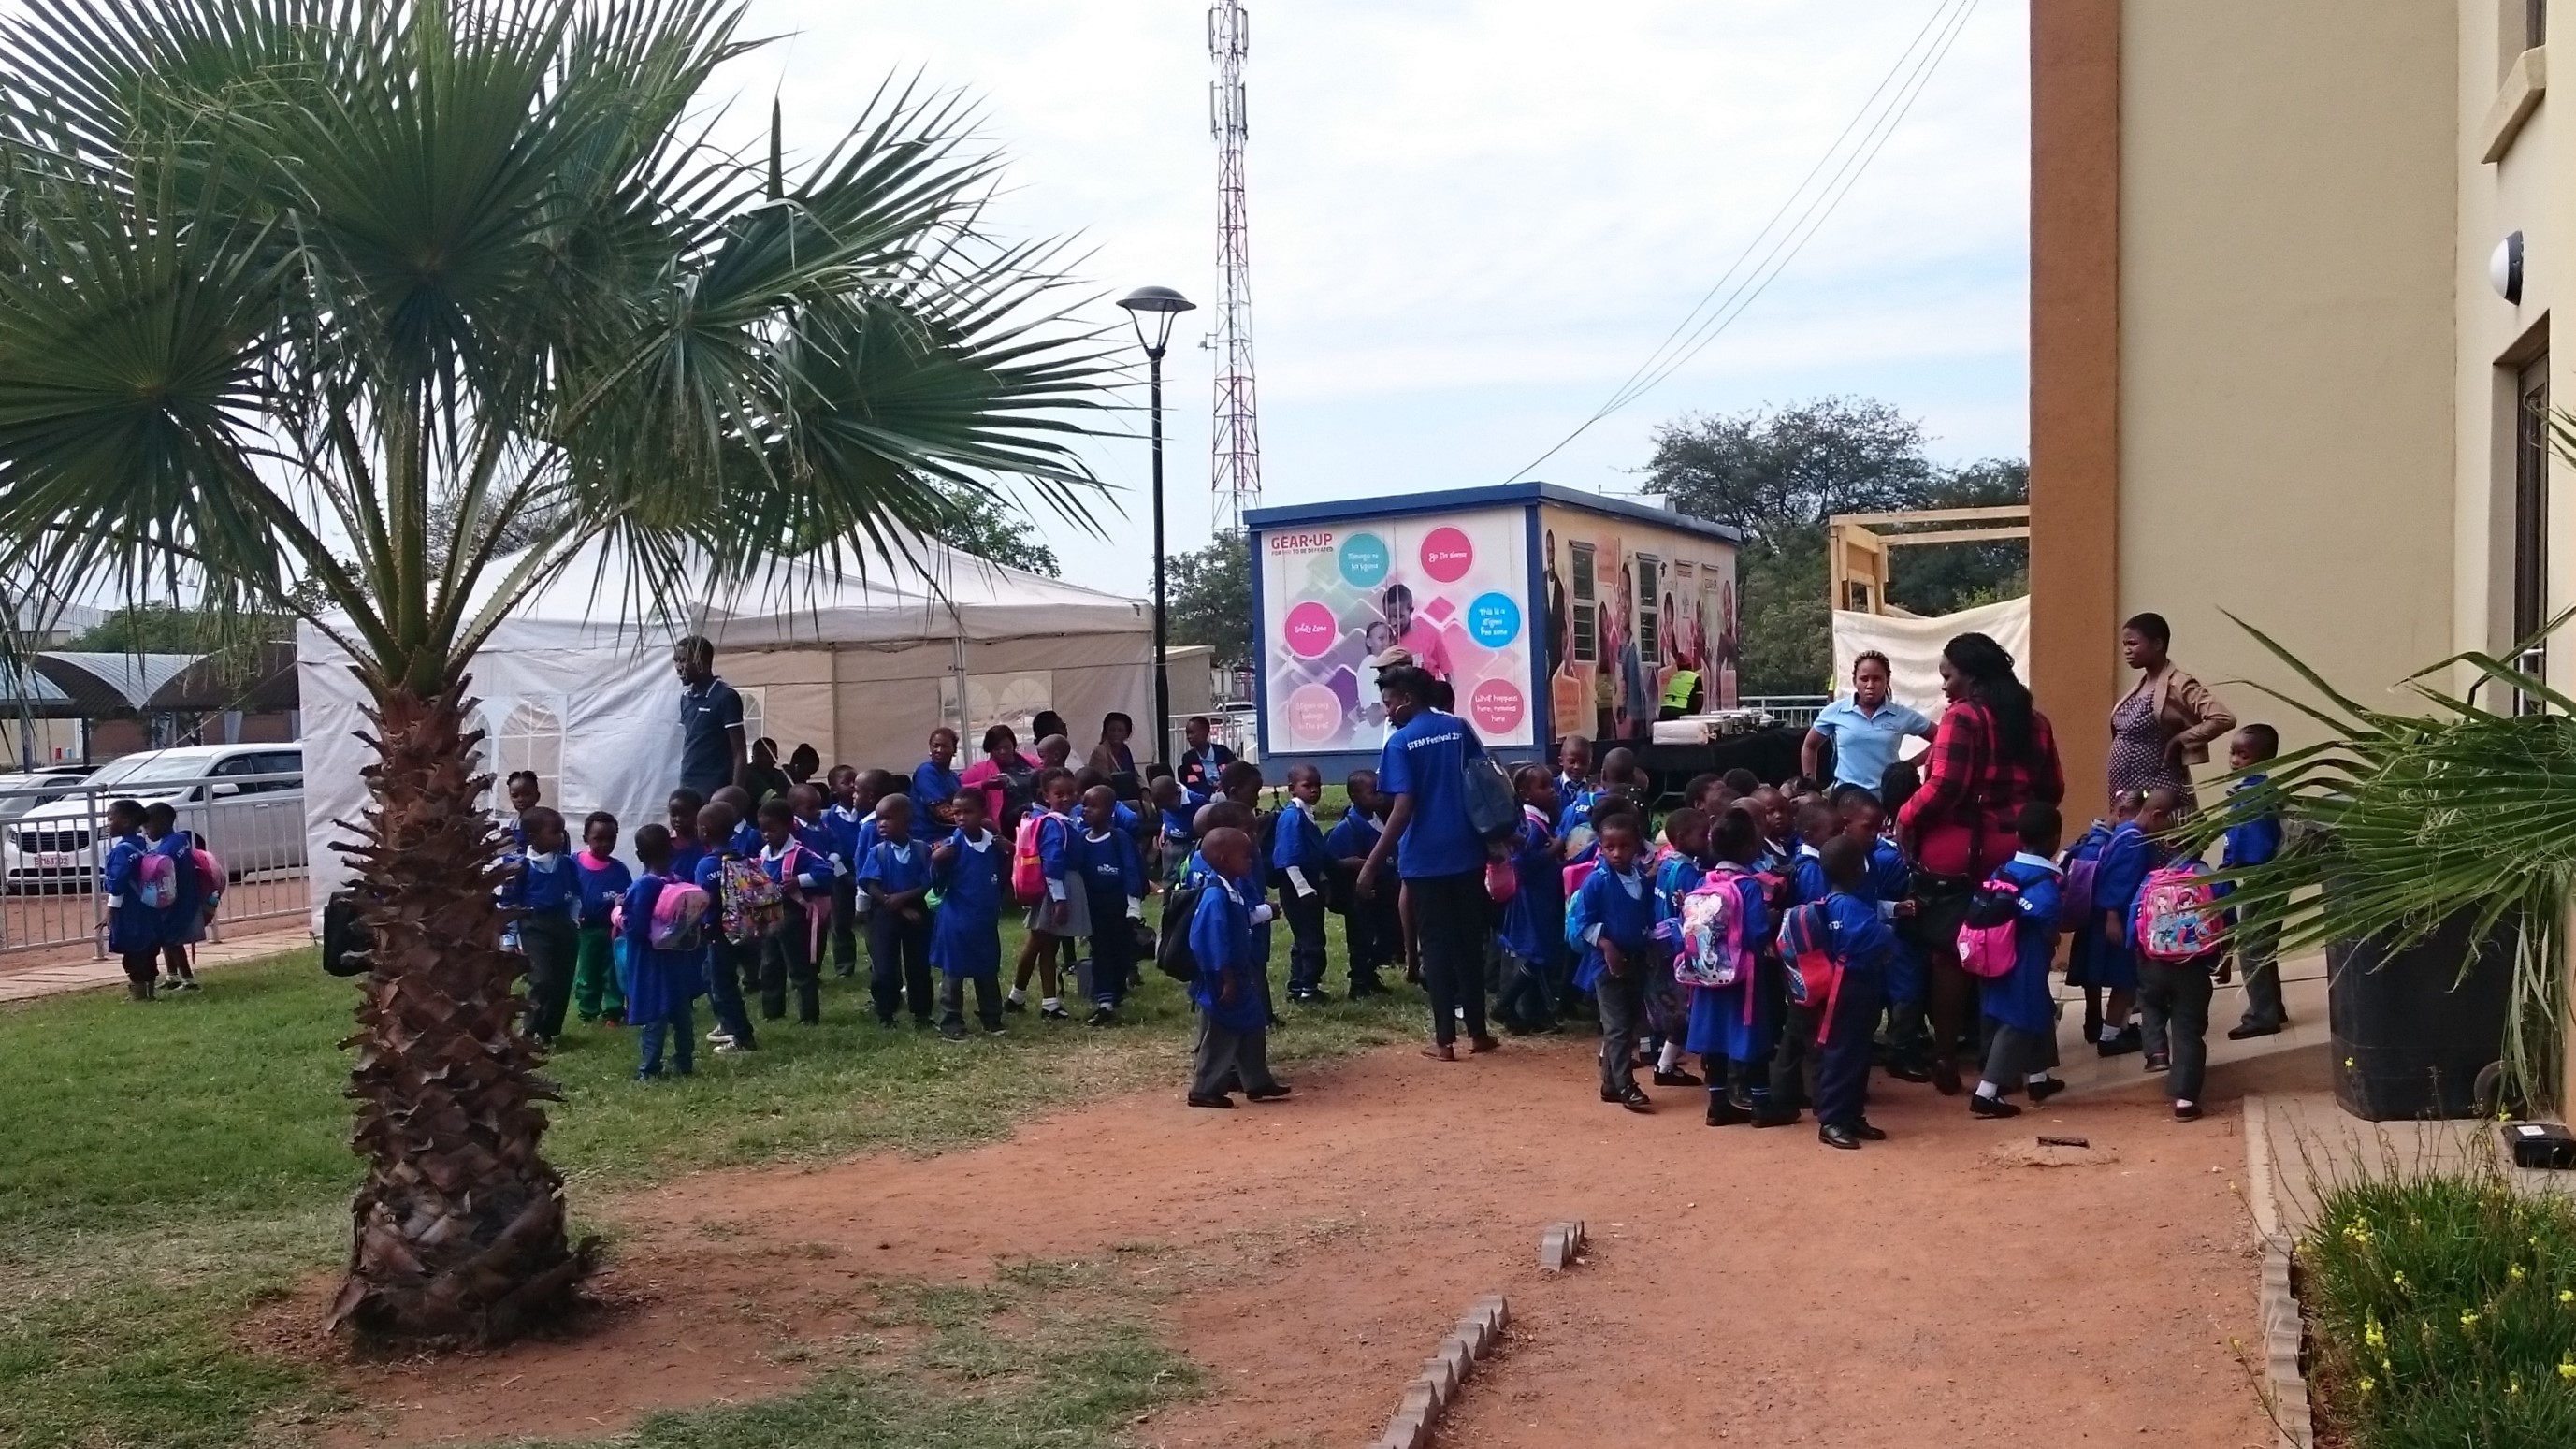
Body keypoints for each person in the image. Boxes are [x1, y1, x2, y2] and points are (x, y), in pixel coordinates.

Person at [1893, 632, 2064, 1095]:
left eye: (1948, 676)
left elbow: (1944, 787)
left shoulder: (1963, 717)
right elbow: (2052, 790)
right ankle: (2004, 1063)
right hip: (2018, 853)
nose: (1944, 686)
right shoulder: (2036, 722)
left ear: (1971, 676)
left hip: (1959, 852)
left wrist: (1905, 816)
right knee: (2012, 954)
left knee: (1952, 954)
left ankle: (1946, 1057)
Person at [1358, 663, 1498, 1061]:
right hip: (1468, 851)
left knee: (1435, 946)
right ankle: (1479, 1033)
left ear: (1407, 699)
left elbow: (1402, 807)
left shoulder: (1400, 743)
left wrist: (1371, 865)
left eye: (1389, 703)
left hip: (1424, 859)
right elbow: (1483, 778)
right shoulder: (1458, 728)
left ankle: (1444, 1042)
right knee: (1469, 941)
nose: (1388, 712)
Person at [1793, 836, 1898, 1150]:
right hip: (1850, 987)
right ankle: (1833, 1121)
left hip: (1847, 987)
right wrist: (1889, 933)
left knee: (1857, 1052)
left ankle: (1852, 1116)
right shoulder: (1851, 908)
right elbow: (1879, 938)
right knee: (1843, 1055)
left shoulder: (1827, 903)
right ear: (1858, 870)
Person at [1968, 804, 2070, 1118]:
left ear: (2019, 836)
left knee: (2039, 1010)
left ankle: (2038, 1078)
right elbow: (2049, 924)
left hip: (1995, 957)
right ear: (2055, 839)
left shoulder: (2003, 871)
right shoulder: (2045, 885)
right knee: (2018, 1021)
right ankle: (1986, 1093)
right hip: (2025, 962)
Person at [1185, 826, 1288, 1108]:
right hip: (1222, 975)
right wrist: (1226, 978)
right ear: (1224, 859)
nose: (1251, 860)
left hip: (1238, 972)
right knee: (1222, 1031)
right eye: (1245, 856)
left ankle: (1257, 1081)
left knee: (1253, 1022)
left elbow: (1242, 919)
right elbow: (1212, 940)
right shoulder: (1215, 896)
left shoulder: (1233, 890)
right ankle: (1204, 1088)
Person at [1686, 806, 1772, 1125]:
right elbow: (1755, 933)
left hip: (1707, 974)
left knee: (1715, 1039)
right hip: (1743, 976)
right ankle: (1762, 1104)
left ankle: (1718, 1103)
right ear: (1749, 848)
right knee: (1753, 1036)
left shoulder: (1704, 880)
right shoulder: (1748, 886)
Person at [1570, 814, 1657, 1111]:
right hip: (1606, 964)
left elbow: (1646, 917)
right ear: (1601, 847)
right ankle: (1626, 1086)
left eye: (1624, 846)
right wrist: (1606, 945)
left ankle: (1610, 1083)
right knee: (1618, 1025)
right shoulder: (1598, 881)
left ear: (1636, 846)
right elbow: (1583, 922)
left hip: (1635, 960)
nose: (1617, 853)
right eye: (1610, 847)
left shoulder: (1640, 879)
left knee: (1628, 1022)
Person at [2092, 786, 2184, 1060]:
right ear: (2156, 816)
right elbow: (2116, 879)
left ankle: (2119, 1029)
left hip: (2127, 920)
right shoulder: (2133, 840)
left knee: (2130, 979)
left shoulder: (2128, 833)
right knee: (2125, 981)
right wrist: (2112, 917)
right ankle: (2109, 1037)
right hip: (2121, 922)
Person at [2109, 612, 2237, 806]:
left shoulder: (2179, 683)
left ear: (2157, 644)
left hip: (2159, 793)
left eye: (2133, 644)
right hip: (2126, 793)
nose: (2127, 651)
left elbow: (2223, 718)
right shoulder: (2140, 686)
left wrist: (2181, 739)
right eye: (2125, 645)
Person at [618, 824, 702, 1080]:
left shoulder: (643, 886)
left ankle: (650, 1068)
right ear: (671, 850)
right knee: (681, 1013)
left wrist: (620, 914)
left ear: (639, 855)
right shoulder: (678, 882)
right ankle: (684, 1061)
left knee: (654, 1013)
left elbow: (636, 928)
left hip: (650, 962)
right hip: (676, 957)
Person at [2223, 724, 2290, 1039]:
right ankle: (2273, 1007)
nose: (2234, 760)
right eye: (2233, 753)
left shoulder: (2254, 794)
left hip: (2262, 877)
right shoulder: (2256, 789)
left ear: (2263, 760)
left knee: (2251, 947)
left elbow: (2255, 841)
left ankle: (2262, 1016)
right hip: (2269, 876)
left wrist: (2233, 865)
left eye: (2243, 755)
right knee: (2263, 946)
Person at [930, 788, 1008, 1039]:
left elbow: (1004, 875)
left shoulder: (994, 844)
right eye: (957, 812)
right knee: (953, 973)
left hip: (984, 920)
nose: (962, 818)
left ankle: (992, 1017)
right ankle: (951, 1020)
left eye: (968, 812)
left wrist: (1011, 849)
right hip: (956, 921)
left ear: (983, 812)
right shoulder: (951, 847)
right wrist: (936, 862)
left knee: (987, 969)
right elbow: (938, 885)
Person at [1008, 768, 1083, 1020]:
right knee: (1042, 942)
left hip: (1057, 888)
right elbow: (1052, 864)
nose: (1066, 798)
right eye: (1059, 794)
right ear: (1045, 795)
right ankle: (1037, 1001)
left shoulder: (1068, 820)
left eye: (1071, 792)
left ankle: (1027, 998)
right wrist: (1059, 899)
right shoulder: (1054, 824)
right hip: (1054, 889)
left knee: (1043, 943)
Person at [1495, 764, 1564, 1035]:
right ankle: (1506, 1004)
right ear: (1525, 794)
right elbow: (1522, 863)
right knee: (1537, 954)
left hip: (1541, 897)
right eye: (1544, 787)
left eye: (1551, 785)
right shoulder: (1532, 825)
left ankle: (1532, 1014)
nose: (1552, 791)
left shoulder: (1538, 820)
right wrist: (1554, 849)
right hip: (1532, 900)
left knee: (1540, 953)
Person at [502, 805, 580, 1047]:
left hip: (563, 924)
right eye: (554, 832)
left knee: (562, 980)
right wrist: (510, 938)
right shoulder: (520, 866)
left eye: (562, 832)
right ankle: (530, 1028)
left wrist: (574, 919)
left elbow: (576, 894)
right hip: (534, 925)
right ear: (533, 837)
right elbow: (510, 903)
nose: (561, 837)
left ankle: (548, 1030)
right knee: (542, 979)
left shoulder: (566, 864)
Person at [1801, 652, 1935, 791]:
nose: (1870, 685)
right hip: (1845, 796)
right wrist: (1810, 787)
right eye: (1864, 679)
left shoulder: (1901, 715)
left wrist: (1910, 765)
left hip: (1886, 797)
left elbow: (1941, 739)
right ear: (1855, 681)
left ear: (1887, 680)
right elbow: (1810, 746)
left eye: (1877, 679)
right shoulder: (1836, 711)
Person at [857, 793, 935, 1029]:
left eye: (888, 818)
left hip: (917, 912)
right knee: (884, 966)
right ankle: (885, 1012)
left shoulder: (922, 850)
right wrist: (894, 904)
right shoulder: (878, 852)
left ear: (907, 821)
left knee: (919, 965)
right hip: (885, 912)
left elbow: (928, 881)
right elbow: (870, 883)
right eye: (879, 819)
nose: (881, 824)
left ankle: (922, 1012)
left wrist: (903, 899)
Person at [1072, 784, 1146, 1025]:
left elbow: (1131, 870)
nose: (1087, 810)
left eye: (1094, 806)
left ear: (1110, 810)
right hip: (1094, 907)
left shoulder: (1119, 838)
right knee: (1100, 951)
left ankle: (1117, 990)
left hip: (1118, 906)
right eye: (1084, 805)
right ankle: (1104, 1001)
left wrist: (1133, 905)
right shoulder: (1081, 838)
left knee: (1121, 951)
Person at [752, 798, 830, 1025]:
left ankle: (808, 1015)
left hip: (793, 914)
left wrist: (799, 880)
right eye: (763, 830)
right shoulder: (763, 856)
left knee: (799, 967)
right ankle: (772, 1012)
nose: (767, 835)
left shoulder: (799, 853)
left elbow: (826, 871)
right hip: (769, 915)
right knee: (769, 965)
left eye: (772, 829)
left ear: (788, 826)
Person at [690, 800, 758, 1053]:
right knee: (710, 975)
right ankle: (727, 1022)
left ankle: (741, 1036)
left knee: (722, 984)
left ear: (705, 831)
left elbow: (703, 901)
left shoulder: (706, 865)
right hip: (743, 928)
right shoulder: (741, 858)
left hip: (717, 932)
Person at [1325, 770, 1395, 998]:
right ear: (1355, 796)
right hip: (1360, 896)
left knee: (1386, 937)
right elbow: (1331, 860)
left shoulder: (1381, 818)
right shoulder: (1348, 826)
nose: (1380, 797)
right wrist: (1350, 866)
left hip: (1385, 889)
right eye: (1373, 792)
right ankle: (1359, 982)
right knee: (1361, 938)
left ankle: (1370, 972)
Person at [1272, 764, 1334, 1003]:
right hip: (1297, 885)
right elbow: (1288, 857)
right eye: (1307, 785)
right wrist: (1303, 888)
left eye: (1317, 785)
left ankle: (1297, 985)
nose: (1314, 790)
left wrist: (1322, 879)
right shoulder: (1292, 817)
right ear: (1292, 788)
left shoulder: (1306, 813)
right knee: (1311, 938)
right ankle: (1308, 987)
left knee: (1305, 936)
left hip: (1310, 881)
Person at [572, 811, 632, 1028]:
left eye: (611, 838)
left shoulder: (619, 869)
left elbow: (628, 896)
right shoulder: (574, 864)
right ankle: (587, 1011)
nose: (605, 844)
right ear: (586, 838)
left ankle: (613, 1012)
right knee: (588, 971)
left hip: (612, 930)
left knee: (613, 971)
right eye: (598, 838)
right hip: (586, 930)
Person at [98, 799, 161, 1000]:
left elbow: (117, 885)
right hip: (148, 904)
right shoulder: (142, 844)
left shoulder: (121, 850)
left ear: (126, 821)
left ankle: (139, 996)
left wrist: (110, 911)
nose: (107, 823)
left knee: (133, 952)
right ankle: (150, 992)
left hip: (130, 909)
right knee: (148, 950)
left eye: (111, 818)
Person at [673, 634, 747, 801]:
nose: (678, 667)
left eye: (683, 660)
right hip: (687, 783)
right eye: (676, 661)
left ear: (702, 661)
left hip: (715, 787)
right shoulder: (686, 698)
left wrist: (735, 793)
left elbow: (740, 752)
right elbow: (692, 742)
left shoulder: (725, 697)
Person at [141, 802, 206, 993]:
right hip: (186, 894)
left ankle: (188, 980)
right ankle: (172, 976)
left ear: (161, 822)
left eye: (148, 826)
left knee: (172, 940)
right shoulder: (181, 840)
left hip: (174, 900)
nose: (146, 832)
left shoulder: (167, 850)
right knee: (166, 938)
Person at [962, 724, 1039, 833]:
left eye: (1006, 747)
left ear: (1013, 745)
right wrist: (983, 784)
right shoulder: (980, 769)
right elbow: (958, 787)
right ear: (989, 750)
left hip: (1037, 817)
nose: (1003, 752)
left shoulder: (1030, 761)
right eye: (997, 749)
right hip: (1009, 824)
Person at [1379, 581, 1454, 680]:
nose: (1393, 622)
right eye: (1388, 617)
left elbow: (1450, 678)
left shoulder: (1431, 635)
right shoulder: (1389, 645)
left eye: (1398, 616)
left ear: (1410, 611)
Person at [912, 727, 964, 826]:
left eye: (945, 746)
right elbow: (941, 811)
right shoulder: (926, 771)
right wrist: (973, 821)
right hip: (930, 833)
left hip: (952, 830)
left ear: (954, 750)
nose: (939, 750)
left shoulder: (953, 777)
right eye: (935, 746)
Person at [1176, 716, 1237, 797]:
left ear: (1205, 732)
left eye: (1192, 733)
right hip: (1205, 798)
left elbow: (1236, 771)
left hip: (1227, 793)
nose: (1189, 737)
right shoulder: (1188, 758)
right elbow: (1193, 785)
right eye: (1187, 734)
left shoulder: (1223, 751)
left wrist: (1224, 784)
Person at [741, 736, 792, 807]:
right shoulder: (746, 774)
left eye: (769, 755)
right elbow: (775, 804)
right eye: (759, 754)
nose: (764, 759)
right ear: (752, 757)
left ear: (776, 759)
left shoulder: (781, 776)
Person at [1087, 712, 1138, 781]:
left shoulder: (1125, 751)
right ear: (1106, 732)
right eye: (1112, 730)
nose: (1116, 734)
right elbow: (1105, 780)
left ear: (1127, 734)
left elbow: (1135, 776)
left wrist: (1144, 787)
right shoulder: (1099, 753)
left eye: (1120, 731)